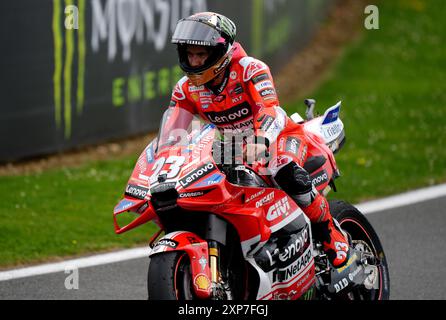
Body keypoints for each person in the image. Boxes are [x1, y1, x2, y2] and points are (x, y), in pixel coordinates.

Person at [168, 12, 349, 267]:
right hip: (234, 148)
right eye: (190, 54)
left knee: (284, 170)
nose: (195, 61)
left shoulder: (251, 69)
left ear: (220, 52)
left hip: (279, 136)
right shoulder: (185, 88)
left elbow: (269, 108)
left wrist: (260, 140)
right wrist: (165, 158)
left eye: (202, 55)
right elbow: (173, 132)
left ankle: (330, 231)